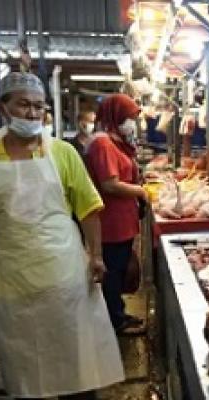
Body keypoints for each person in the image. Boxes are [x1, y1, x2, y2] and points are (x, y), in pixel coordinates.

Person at [0, 72, 124, 399]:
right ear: (3, 107)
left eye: (39, 107)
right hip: (11, 277)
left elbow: (88, 209)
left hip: (64, 275)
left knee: (76, 364)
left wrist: (96, 255)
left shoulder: (62, 153)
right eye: (23, 105)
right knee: (26, 368)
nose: (31, 114)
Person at [86, 94, 148, 335]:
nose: (133, 122)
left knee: (118, 269)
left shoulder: (113, 141)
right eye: (131, 117)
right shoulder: (102, 143)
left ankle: (118, 313)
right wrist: (140, 191)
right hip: (110, 222)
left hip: (121, 220)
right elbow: (110, 184)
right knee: (111, 273)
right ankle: (115, 322)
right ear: (116, 115)